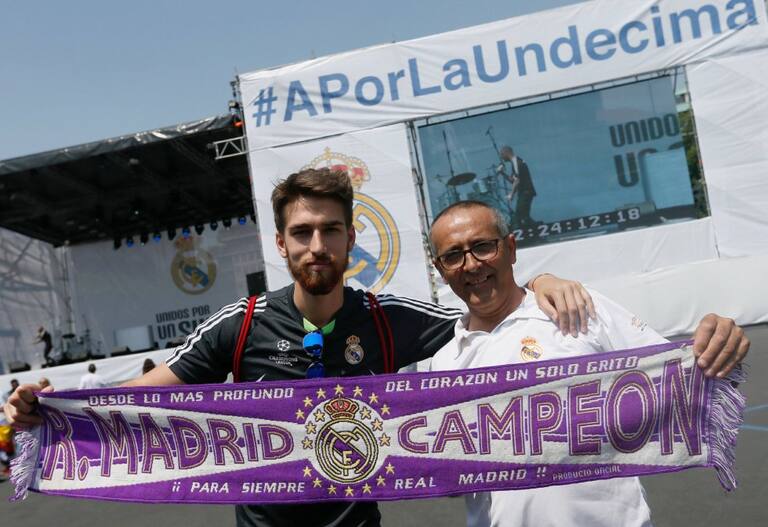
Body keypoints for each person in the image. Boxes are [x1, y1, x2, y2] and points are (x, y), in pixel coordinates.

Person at [4, 169, 603, 527]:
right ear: (281, 244)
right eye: (302, 232)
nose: (317, 245)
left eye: (330, 230)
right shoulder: (239, 325)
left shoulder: (386, 319)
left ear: (349, 238)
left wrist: (540, 282)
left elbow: (487, 311)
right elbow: (135, 398)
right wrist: (48, 409)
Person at [427, 200, 750, 527]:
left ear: (511, 248)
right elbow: (453, 480)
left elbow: (683, 377)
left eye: (483, 246)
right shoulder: (444, 365)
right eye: (453, 256)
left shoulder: (577, 309)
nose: (471, 265)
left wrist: (720, 341)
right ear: (440, 270)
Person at [497, 146, 536, 227]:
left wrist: (511, 195)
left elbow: (517, 181)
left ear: (506, 153)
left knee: (519, 215)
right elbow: (513, 180)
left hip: (526, 192)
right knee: (523, 215)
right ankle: (533, 227)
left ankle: (532, 228)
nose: (501, 157)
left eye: (502, 155)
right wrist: (502, 173)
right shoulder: (514, 163)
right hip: (524, 193)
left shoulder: (517, 163)